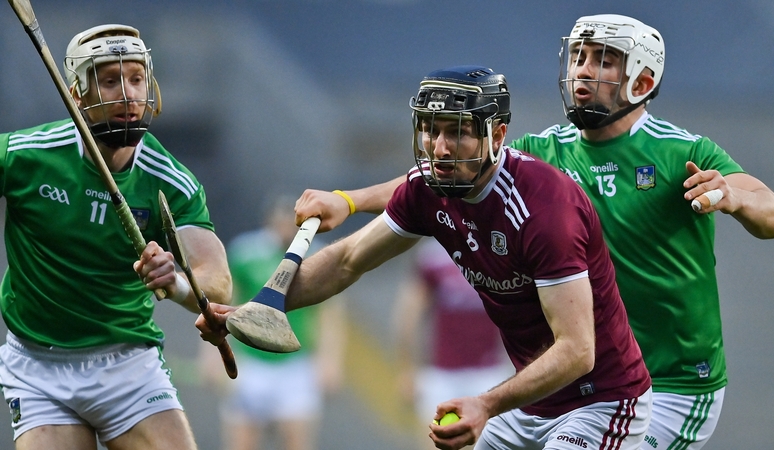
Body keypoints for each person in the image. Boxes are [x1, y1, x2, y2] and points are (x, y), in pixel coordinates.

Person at [292, 14, 774, 450]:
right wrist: (351, 200)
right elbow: (440, 175)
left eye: (603, 60)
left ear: (641, 79)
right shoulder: (543, 151)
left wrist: (733, 196)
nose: (583, 71)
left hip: (675, 383)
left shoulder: (684, 152)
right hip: (579, 383)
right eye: (578, 56)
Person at [199, 66, 653, 450]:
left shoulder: (545, 209)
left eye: (456, 132)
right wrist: (251, 311)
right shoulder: (431, 189)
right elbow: (346, 262)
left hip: (602, 400)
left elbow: (576, 351)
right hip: (533, 403)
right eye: (431, 130)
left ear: (497, 134)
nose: (438, 147)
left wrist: (486, 403)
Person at [0, 24, 231, 450]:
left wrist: (176, 280)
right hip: (38, 365)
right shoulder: (24, 155)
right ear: (77, 94)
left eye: (136, 78)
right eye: (109, 80)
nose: (128, 94)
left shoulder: (172, 181)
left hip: (127, 363)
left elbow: (216, 281)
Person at [199, 195, 344, 450]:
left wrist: (330, 360)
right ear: (269, 223)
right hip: (251, 363)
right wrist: (212, 356)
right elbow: (220, 306)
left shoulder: (318, 256)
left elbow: (329, 313)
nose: (285, 230)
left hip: (296, 366)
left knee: (296, 440)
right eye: (280, 224)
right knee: (242, 441)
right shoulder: (245, 253)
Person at [391, 237, 512, 449]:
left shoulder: (501, 247)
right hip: (441, 375)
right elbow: (409, 315)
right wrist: (406, 370)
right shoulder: (433, 256)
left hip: (489, 376)